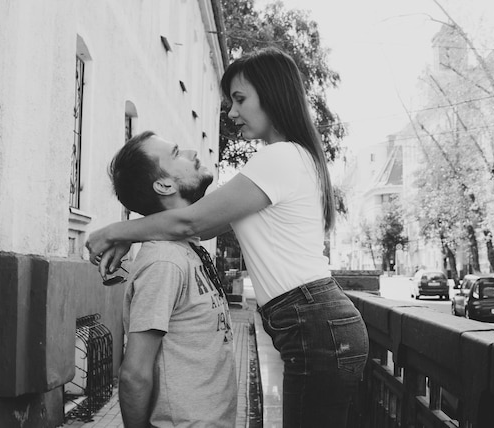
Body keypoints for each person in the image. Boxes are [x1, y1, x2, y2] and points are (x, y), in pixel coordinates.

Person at [86, 47, 369, 427]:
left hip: (313, 324)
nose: (232, 113)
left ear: (272, 95)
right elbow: (197, 223)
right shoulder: (288, 158)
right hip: (316, 325)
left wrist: (115, 231)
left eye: (240, 99)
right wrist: (135, 236)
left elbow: (191, 224)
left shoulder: (279, 158)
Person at [107, 131, 237, 428]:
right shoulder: (164, 261)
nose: (192, 152)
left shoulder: (186, 247)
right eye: (177, 152)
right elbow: (134, 373)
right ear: (164, 185)